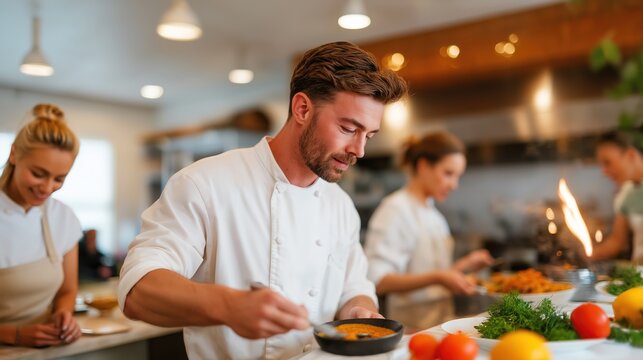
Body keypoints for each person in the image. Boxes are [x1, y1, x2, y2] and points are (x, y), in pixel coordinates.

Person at [118, 41, 407, 359]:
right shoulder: (204, 183)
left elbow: (355, 287)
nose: (359, 150)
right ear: (302, 109)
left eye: (368, 135)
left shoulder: (340, 206)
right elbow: (138, 290)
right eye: (348, 128)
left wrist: (359, 310)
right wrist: (227, 306)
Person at [364, 131, 493, 326]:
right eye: (448, 173)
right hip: (411, 330)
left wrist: (463, 266)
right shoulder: (395, 209)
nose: (454, 185)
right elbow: (378, 281)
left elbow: (433, 277)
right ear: (423, 166)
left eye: (457, 176)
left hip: (441, 324)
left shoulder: (435, 216)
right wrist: (439, 277)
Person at [0, 104, 82, 347]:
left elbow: (67, 291)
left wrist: (63, 315)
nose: (47, 188)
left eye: (59, 179)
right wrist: (15, 335)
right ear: (14, 154)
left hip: (44, 349)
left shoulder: (63, 217)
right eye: (38, 173)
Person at [592, 130, 643, 264]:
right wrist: (589, 254)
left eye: (607, 162)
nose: (604, 172)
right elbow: (617, 241)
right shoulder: (626, 194)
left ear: (630, 155)